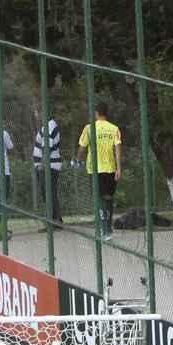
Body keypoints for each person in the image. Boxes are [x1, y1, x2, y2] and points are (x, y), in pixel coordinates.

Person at [74, 102, 122, 241]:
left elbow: (82, 147)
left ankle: (105, 230)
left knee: (99, 198)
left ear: (96, 113)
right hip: (111, 167)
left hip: (95, 168)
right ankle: (108, 227)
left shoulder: (89, 128)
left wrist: (78, 159)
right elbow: (118, 149)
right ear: (106, 113)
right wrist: (119, 168)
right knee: (108, 197)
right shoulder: (114, 128)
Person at [32, 105, 63, 229]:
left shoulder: (49, 127)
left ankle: (53, 221)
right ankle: (56, 220)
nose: (36, 116)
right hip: (50, 165)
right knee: (50, 193)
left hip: (48, 166)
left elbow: (47, 147)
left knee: (49, 193)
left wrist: (42, 165)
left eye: (36, 113)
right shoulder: (49, 126)